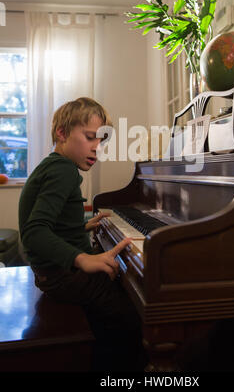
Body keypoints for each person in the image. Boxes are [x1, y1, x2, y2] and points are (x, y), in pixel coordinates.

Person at [19, 97, 147, 372]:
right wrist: (82, 259)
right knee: (131, 312)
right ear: (62, 133)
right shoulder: (63, 171)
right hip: (61, 276)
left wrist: (83, 226)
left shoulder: (53, 166)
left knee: (120, 284)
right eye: (90, 138)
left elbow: (55, 224)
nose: (97, 149)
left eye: (101, 142)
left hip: (50, 273)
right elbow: (34, 232)